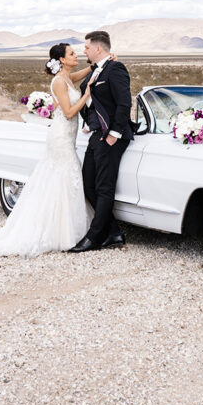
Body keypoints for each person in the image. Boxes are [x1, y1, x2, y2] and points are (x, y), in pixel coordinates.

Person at [0, 43, 99, 257]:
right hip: (60, 137)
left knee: (64, 178)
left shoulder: (66, 77)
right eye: (72, 54)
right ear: (62, 60)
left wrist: (96, 67)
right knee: (66, 176)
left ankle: (65, 228)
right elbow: (68, 112)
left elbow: (80, 74)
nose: (77, 55)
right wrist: (87, 93)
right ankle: (59, 232)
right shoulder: (58, 81)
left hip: (66, 136)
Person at [69, 30, 133, 253]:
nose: (83, 51)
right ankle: (114, 232)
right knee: (88, 185)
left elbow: (124, 102)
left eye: (86, 47)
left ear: (97, 48)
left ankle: (94, 237)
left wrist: (114, 133)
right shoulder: (95, 71)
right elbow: (92, 99)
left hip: (112, 137)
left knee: (105, 187)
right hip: (97, 135)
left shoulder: (116, 69)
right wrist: (89, 122)